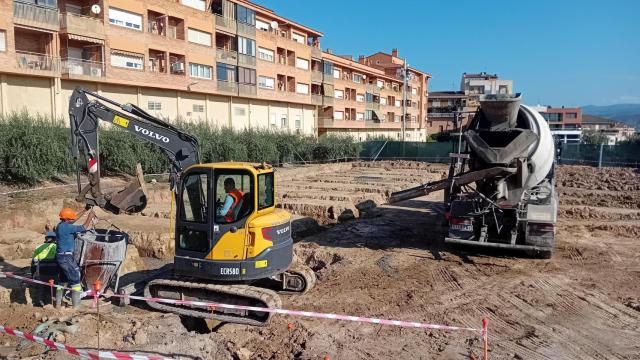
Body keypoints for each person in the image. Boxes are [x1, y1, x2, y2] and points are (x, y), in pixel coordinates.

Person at [53, 207, 96, 308]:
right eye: (71, 219)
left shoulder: (61, 225)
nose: (73, 220)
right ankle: (76, 306)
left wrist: (85, 210)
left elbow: (73, 220)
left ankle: (58, 304)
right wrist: (89, 217)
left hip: (61, 257)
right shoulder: (67, 227)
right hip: (66, 257)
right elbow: (83, 227)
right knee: (75, 279)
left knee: (62, 280)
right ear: (67, 219)